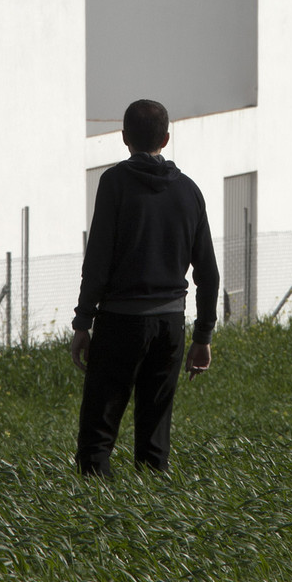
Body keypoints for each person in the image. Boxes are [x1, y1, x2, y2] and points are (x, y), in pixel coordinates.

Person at [70, 98, 219, 477]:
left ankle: (96, 518)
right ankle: (152, 520)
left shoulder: (114, 184)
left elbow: (98, 259)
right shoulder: (190, 191)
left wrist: (82, 323)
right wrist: (202, 336)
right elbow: (208, 273)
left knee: (98, 434)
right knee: (155, 437)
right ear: (166, 139)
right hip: (170, 325)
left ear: (124, 138)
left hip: (120, 322)